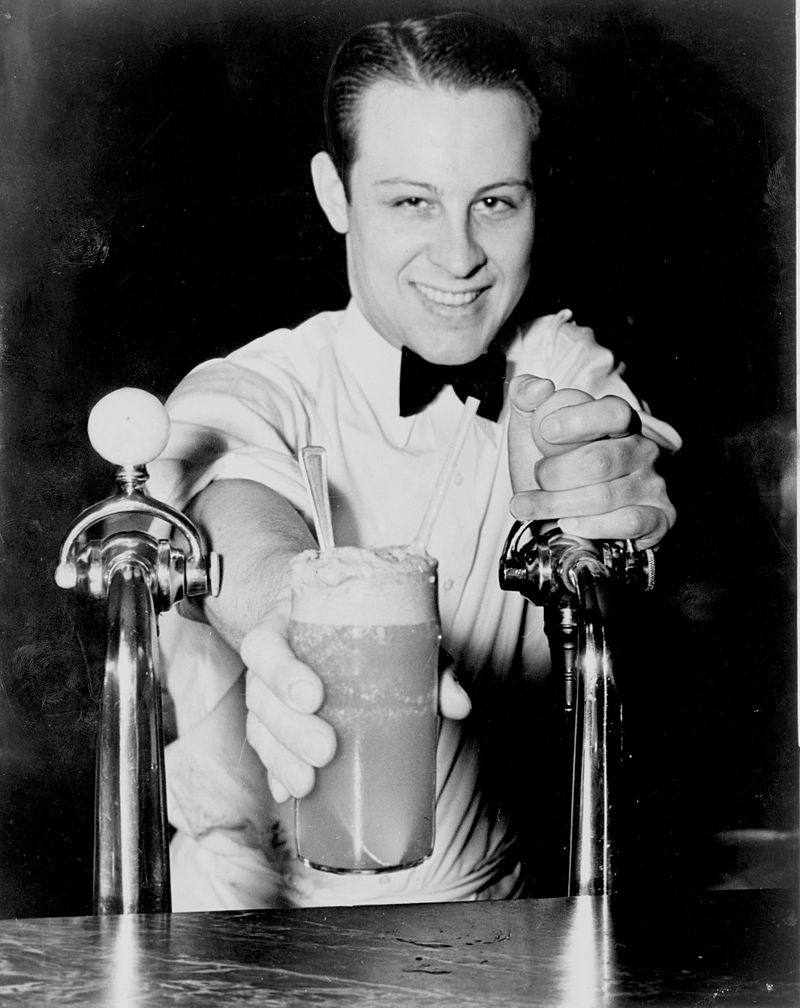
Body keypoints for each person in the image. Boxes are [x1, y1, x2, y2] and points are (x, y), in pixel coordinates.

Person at [148, 10, 680, 911]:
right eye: (411, 201)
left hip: (493, 934)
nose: (461, 255)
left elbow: (613, 444)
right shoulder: (256, 384)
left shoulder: (555, 367)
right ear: (334, 194)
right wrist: (292, 621)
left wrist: (595, 480)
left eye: (495, 202)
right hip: (249, 934)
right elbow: (230, 498)